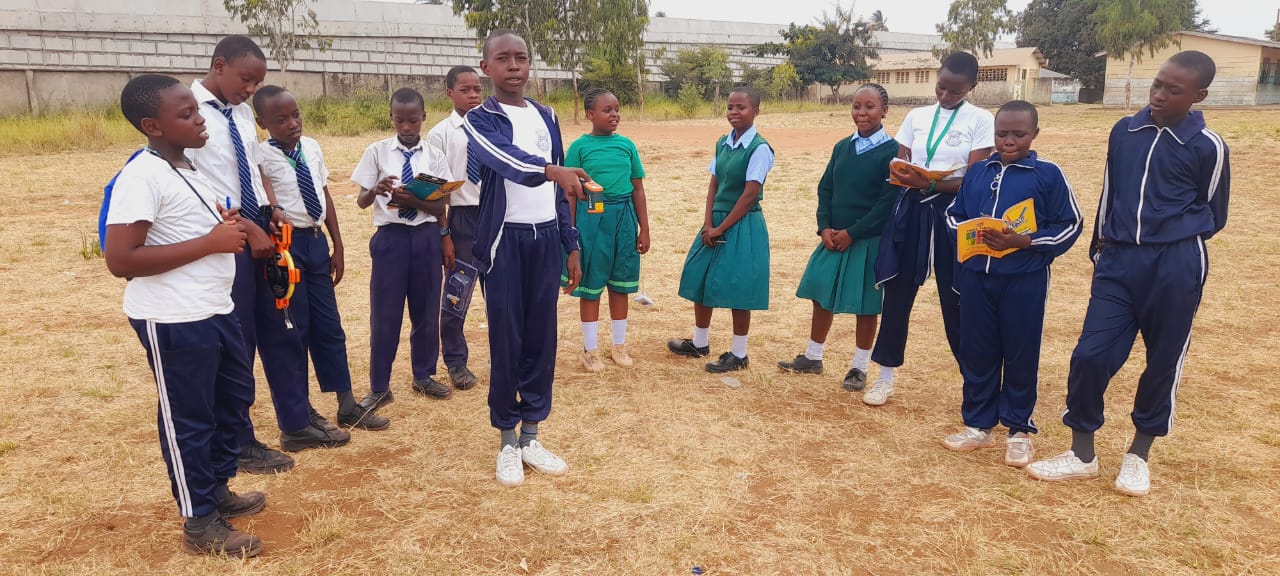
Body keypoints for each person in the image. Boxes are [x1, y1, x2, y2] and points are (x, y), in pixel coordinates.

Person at [1027, 51, 1230, 496]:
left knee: (1162, 362)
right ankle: (1082, 453)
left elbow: (1214, 213)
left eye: (1172, 90)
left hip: (1175, 265)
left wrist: (1171, 242)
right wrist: (1100, 249)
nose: (1158, 94)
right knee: (1090, 356)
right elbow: (1110, 192)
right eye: (1157, 84)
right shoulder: (1125, 131)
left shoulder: (1206, 146)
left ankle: (1139, 455)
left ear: (1198, 96)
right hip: (1117, 262)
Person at [105, 74, 265, 557]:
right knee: (189, 419)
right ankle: (199, 522)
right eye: (186, 114)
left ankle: (216, 490)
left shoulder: (188, 170)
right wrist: (212, 244)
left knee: (231, 402)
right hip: (173, 318)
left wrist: (241, 228)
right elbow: (121, 260)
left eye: (197, 111)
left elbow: (202, 224)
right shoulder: (142, 176)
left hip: (215, 308)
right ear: (153, 125)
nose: (200, 120)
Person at [188, 35, 334, 471]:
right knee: (237, 344)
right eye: (246, 79)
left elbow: (251, 169)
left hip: (263, 238)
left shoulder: (240, 112)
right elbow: (198, 185)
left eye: (257, 83)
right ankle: (241, 440)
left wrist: (268, 213)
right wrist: (246, 226)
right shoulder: (187, 112)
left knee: (281, 332)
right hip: (226, 242)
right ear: (219, 66)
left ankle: (296, 423)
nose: (251, 89)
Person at [461, 29, 587, 486]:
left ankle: (532, 434)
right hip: (505, 243)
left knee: (542, 339)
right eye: (503, 58)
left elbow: (560, 187)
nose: (514, 66)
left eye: (522, 58)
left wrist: (570, 242)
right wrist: (553, 169)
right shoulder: (480, 118)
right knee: (507, 341)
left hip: (544, 239)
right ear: (486, 67)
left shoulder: (547, 114)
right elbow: (507, 160)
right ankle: (506, 442)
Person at [941, 100, 1082, 468]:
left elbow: (1071, 224)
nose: (1008, 141)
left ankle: (1019, 429)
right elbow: (953, 215)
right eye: (1002, 134)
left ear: (1034, 134)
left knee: (1020, 352)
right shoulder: (977, 172)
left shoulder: (1047, 174)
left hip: (1024, 281)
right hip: (975, 279)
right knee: (977, 350)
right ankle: (977, 423)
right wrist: (969, 231)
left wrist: (1025, 242)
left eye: (1018, 134)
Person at [253, 85, 389, 432]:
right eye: (280, 119)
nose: (292, 123)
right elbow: (268, 200)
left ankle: (347, 405)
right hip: (287, 246)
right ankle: (303, 410)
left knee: (330, 326)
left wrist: (337, 244)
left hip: (315, 243)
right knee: (295, 330)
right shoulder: (261, 157)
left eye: (296, 115)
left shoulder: (312, 147)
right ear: (262, 121)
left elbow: (324, 195)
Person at [866, 51, 995, 407]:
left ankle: (976, 386)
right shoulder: (916, 116)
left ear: (972, 86)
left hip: (954, 216)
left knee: (957, 300)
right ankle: (884, 377)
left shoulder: (981, 120)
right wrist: (914, 178)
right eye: (941, 88)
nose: (945, 96)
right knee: (897, 294)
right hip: (912, 211)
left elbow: (976, 178)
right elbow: (902, 165)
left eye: (955, 91)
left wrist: (931, 185)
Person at [778, 83, 898, 391]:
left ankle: (859, 367)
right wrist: (824, 227)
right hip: (833, 237)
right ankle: (813, 356)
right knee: (821, 294)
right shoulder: (843, 146)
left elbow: (887, 203)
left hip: (867, 240)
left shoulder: (894, 152)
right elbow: (825, 188)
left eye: (869, 107)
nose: (861, 112)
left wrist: (853, 232)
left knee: (865, 305)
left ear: (884, 110)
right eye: (856, 106)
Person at [351, 88, 453, 413]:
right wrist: (374, 190)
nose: (406, 127)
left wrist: (416, 202)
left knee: (425, 312)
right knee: (385, 314)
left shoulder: (434, 154)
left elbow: (442, 202)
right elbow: (361, 201)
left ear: (423, 117)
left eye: (412, 120)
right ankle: (379, 387)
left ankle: (423, 375)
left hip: (425, 238)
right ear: (391, 117)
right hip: (390, 239)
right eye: (400, 120)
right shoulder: (377, 151)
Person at [667, 86, 775, 373]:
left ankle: (739, 353)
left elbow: (750, 194)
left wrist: (721, 228)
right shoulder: (723, 143)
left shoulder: (760, 148)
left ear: (756, 111)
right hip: (715, 221)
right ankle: (700, 342)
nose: (734, 113)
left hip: (742, 223)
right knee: (701, 277)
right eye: (730, 107)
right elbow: (714, 183)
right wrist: (707, 223)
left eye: (741, 107)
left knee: (738, 286)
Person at [564, 88, 650, 372]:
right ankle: (590, 350)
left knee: (619, 283)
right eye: (607, 110)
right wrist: (571, 233)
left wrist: (644, 229)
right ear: (590, 115)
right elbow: (570, 195)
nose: (614, 115)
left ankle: (619, 345)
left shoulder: (627, 145)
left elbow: (638, 189)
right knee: (591, 285)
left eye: (616, 109)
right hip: (592, 219)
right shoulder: (579, 147)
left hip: (624, 218)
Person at [426, 65, 485, 391]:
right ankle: (455, 361)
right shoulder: (441, 134)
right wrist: (444, 233)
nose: (474, 95)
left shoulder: (494, 127)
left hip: (495, 217)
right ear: (450, 93)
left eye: (478, 89)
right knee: (457, 292)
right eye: (466, 90)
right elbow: (438, 191)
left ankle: (504, 354)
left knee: (502, 292)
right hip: (461, 218)